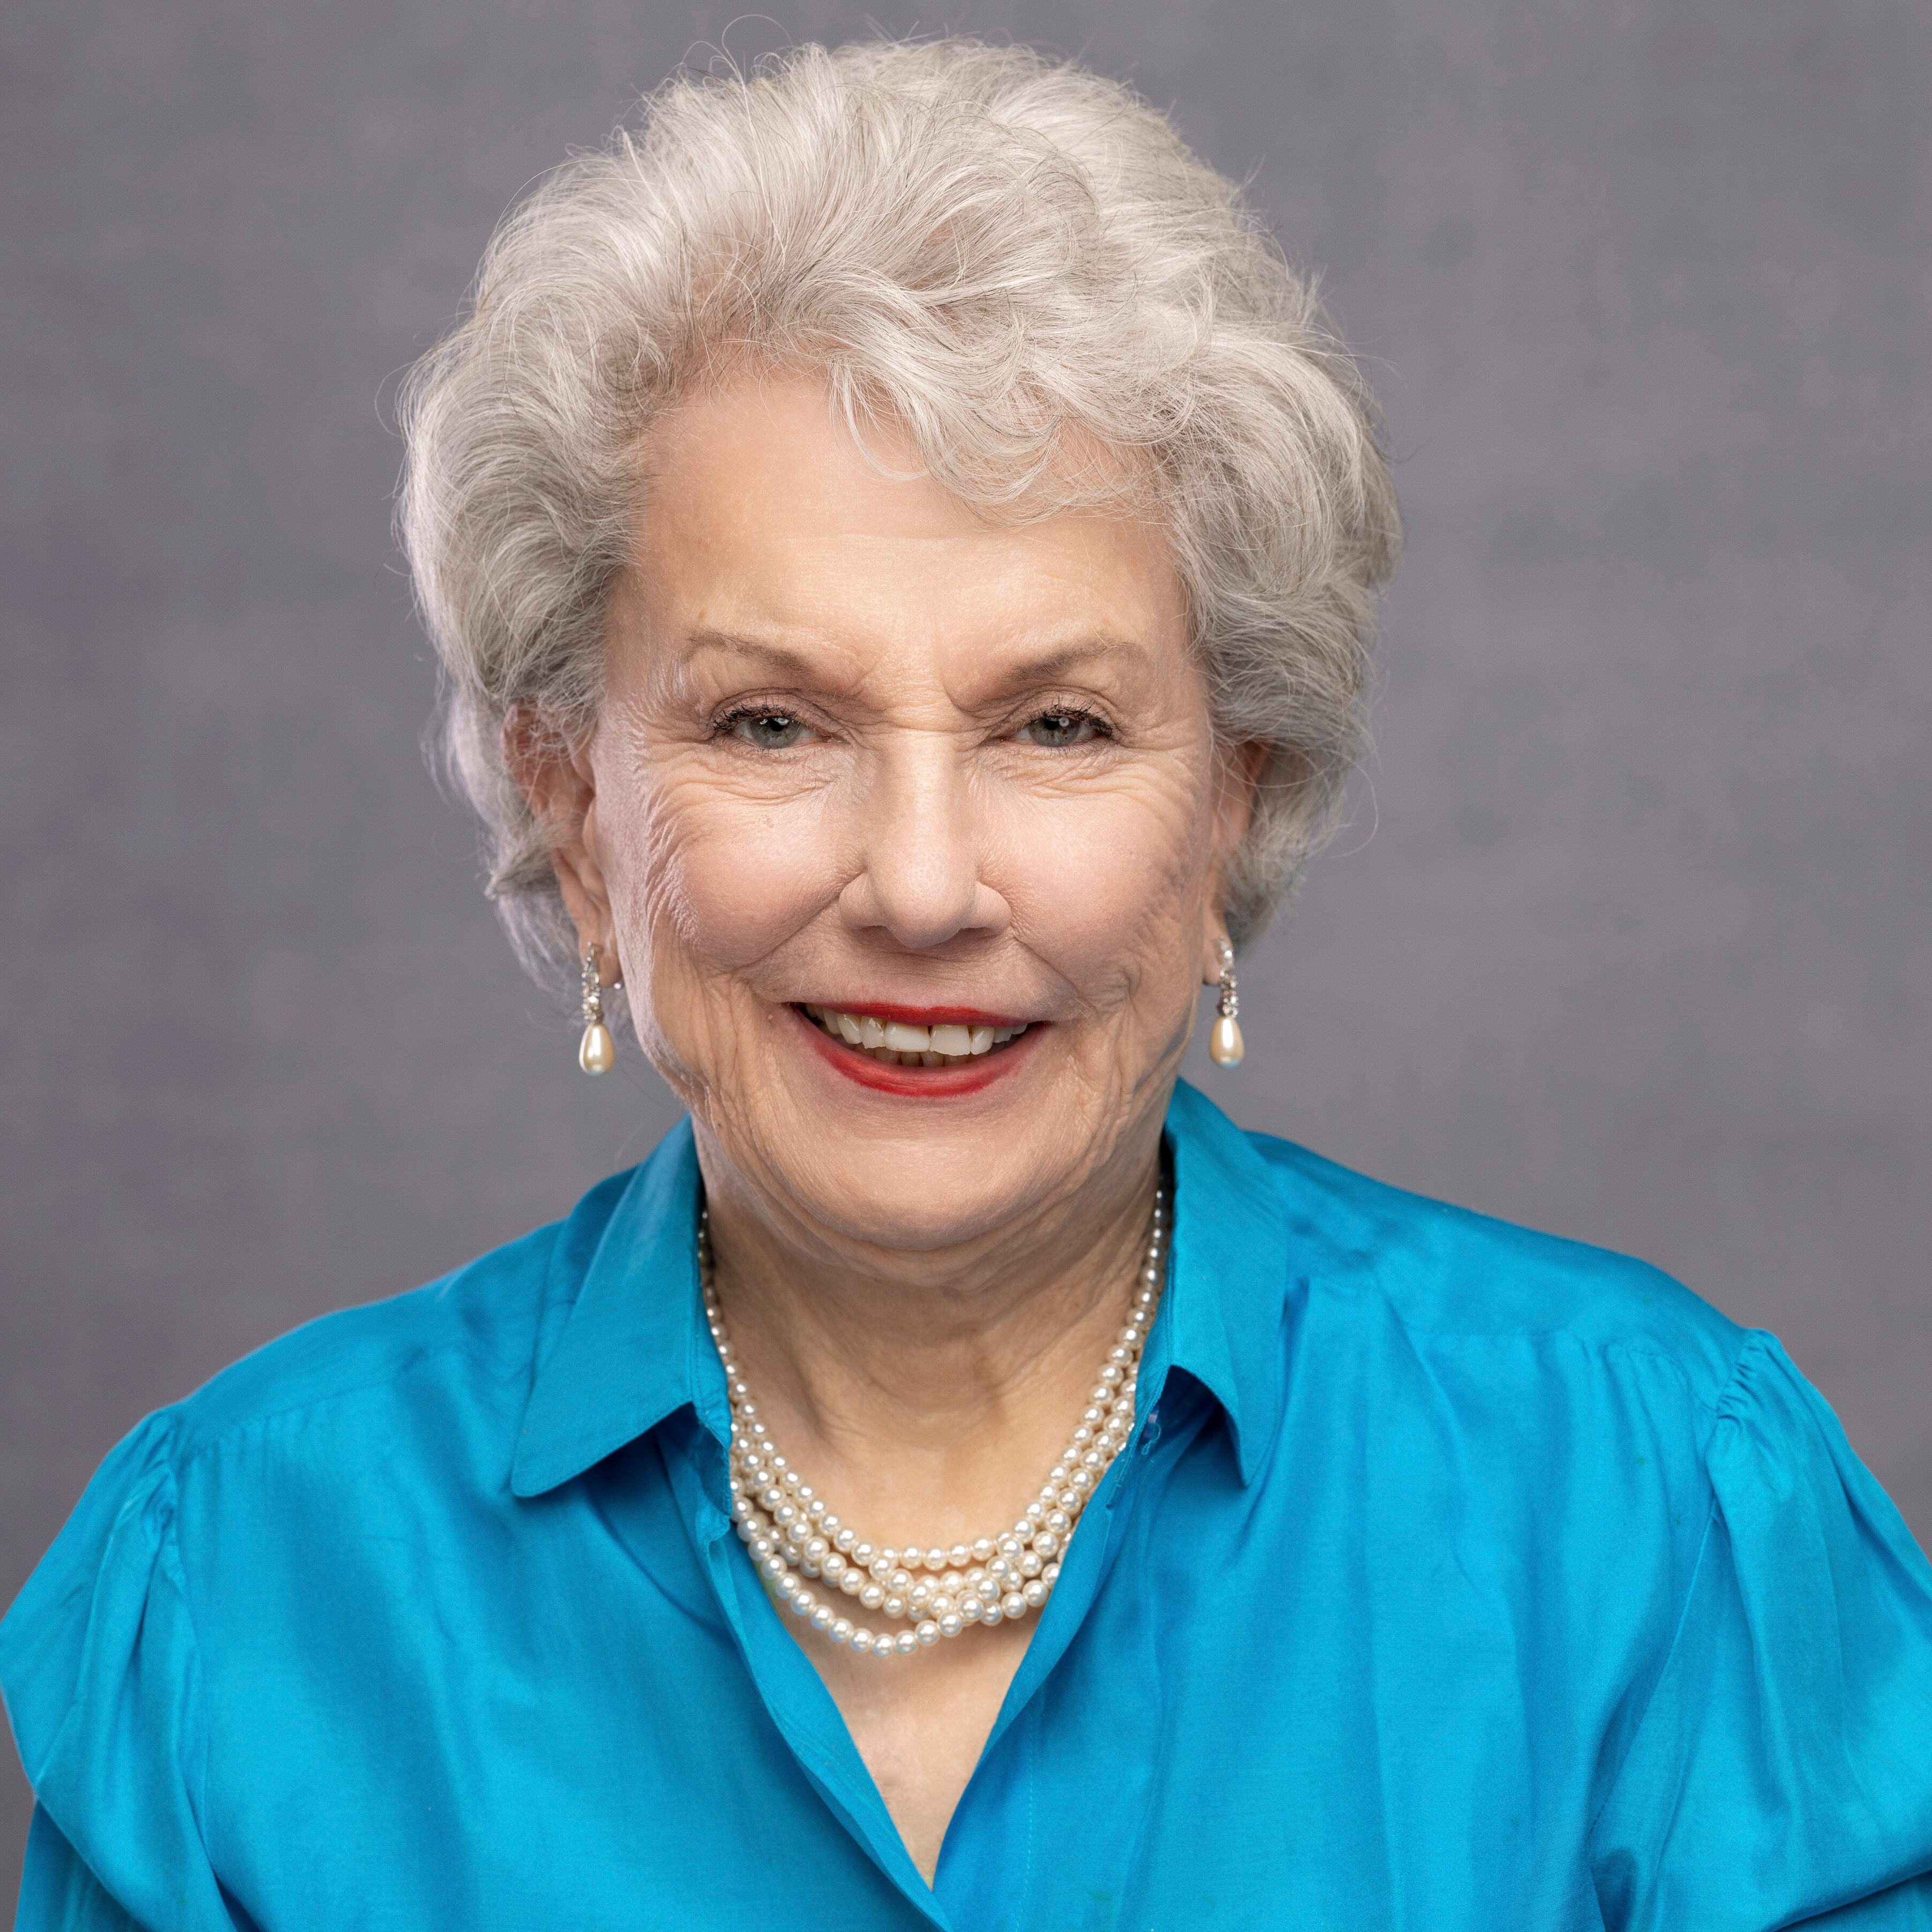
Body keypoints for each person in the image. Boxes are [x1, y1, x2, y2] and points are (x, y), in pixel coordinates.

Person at [4, 36, 1930, 1931]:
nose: (922, 885)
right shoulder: (242, 1585)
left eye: (1060, 724)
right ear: (576, 808)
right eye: (771, 721)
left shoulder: (1661, 1513)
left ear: (1231, 807)